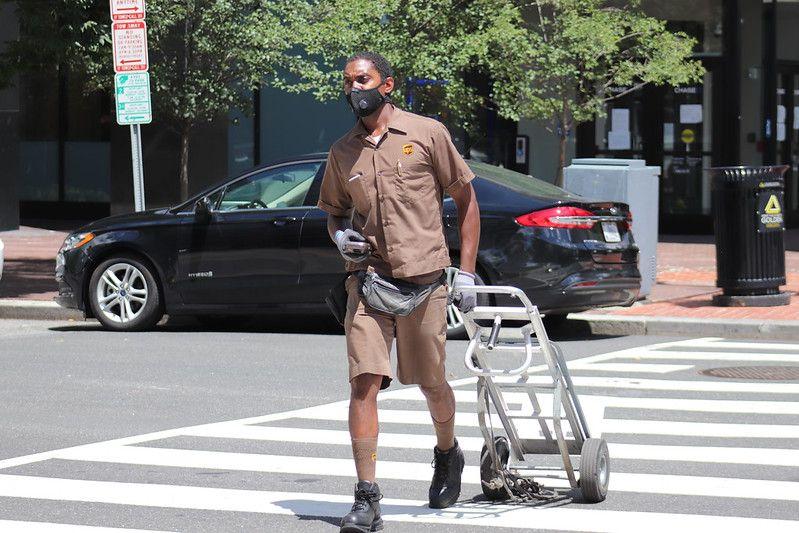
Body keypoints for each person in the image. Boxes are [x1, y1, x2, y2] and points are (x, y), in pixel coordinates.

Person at [317, 51, 481, 533]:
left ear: (386, 84)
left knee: (432, 383)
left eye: (362, 79)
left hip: (426, 282)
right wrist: (340, 237)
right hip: (369, 281)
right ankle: (366, 497)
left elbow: (466, 200)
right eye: (347, 81)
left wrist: (466, 273)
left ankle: (448, 453)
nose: (354, 88)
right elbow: (334, 213)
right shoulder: (342, 151)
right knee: (363, 382)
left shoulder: (427, 133)